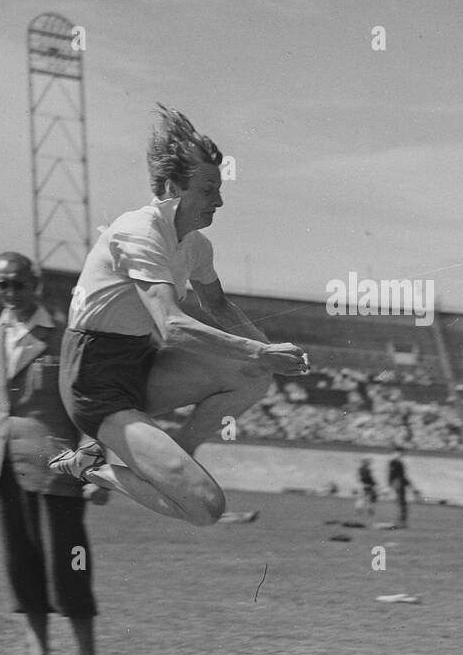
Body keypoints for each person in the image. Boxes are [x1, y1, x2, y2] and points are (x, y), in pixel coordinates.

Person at [49, 106, 310, 522]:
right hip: (93, 381)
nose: (220, 201)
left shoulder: (196, 245)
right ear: (173, 186)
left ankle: (177, 457)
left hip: (141, 364)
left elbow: (218, 305)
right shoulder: (139, 230)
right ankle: (92, 466)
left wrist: (272, 353)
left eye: (219, 189)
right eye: (208, 190)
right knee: (206, 509)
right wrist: (260, 352)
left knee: (253, 373)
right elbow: (171, 325)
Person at [0, 253, 109, 655]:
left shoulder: (67, 337)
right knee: (22, 569)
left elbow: (89, 409)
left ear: (35, 283)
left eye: (19, 284)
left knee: (70, 568)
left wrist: (94, 468)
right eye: (2, 285)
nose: (12, 293)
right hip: (1, 468)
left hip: (59, 468)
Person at [387, 447, 416, 529]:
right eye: (399, 453)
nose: (401, 454)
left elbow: (401, 476)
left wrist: (410, 485)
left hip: (400, 484)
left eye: (401, 453)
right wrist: (390, 484)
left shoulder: (397, 463)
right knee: (402, 504)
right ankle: (401, 523)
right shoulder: (394, 462)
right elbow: (394, 475)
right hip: (398, 484)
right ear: (395, 453)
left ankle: (401, 522)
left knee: (402, 504)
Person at [356, 457, 378, 524]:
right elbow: (369, 479)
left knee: (361, 502)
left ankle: (359, 518)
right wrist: (374, 484)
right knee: (369, 503)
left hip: (364, 487)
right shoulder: (366, 470)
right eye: (368, 463)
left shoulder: (360, 469)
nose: (369, 464)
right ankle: (370, 520)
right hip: (368, 487)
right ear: (365, 463)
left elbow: (361, 479)